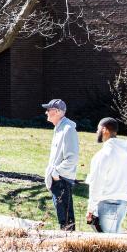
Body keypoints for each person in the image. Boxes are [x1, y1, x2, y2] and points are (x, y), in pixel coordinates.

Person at [84, 117, 127, 234]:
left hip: (107, 202)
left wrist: (90, 209)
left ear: (105, 130)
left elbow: (96, 183)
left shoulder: (103, 155)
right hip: (123, 202)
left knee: (108, 244)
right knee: (115, 241)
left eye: (98, 129)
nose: (96, 132)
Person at [43, 98, 79, 231]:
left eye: (48, 110)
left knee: (67, 221)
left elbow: (72, 158)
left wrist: (56, 173)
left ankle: (69, 246)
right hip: (58, 180)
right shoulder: (59, 128)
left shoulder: (68, 129)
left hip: (62, 180)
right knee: (63, 219)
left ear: (57, 111)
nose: (46, 112)